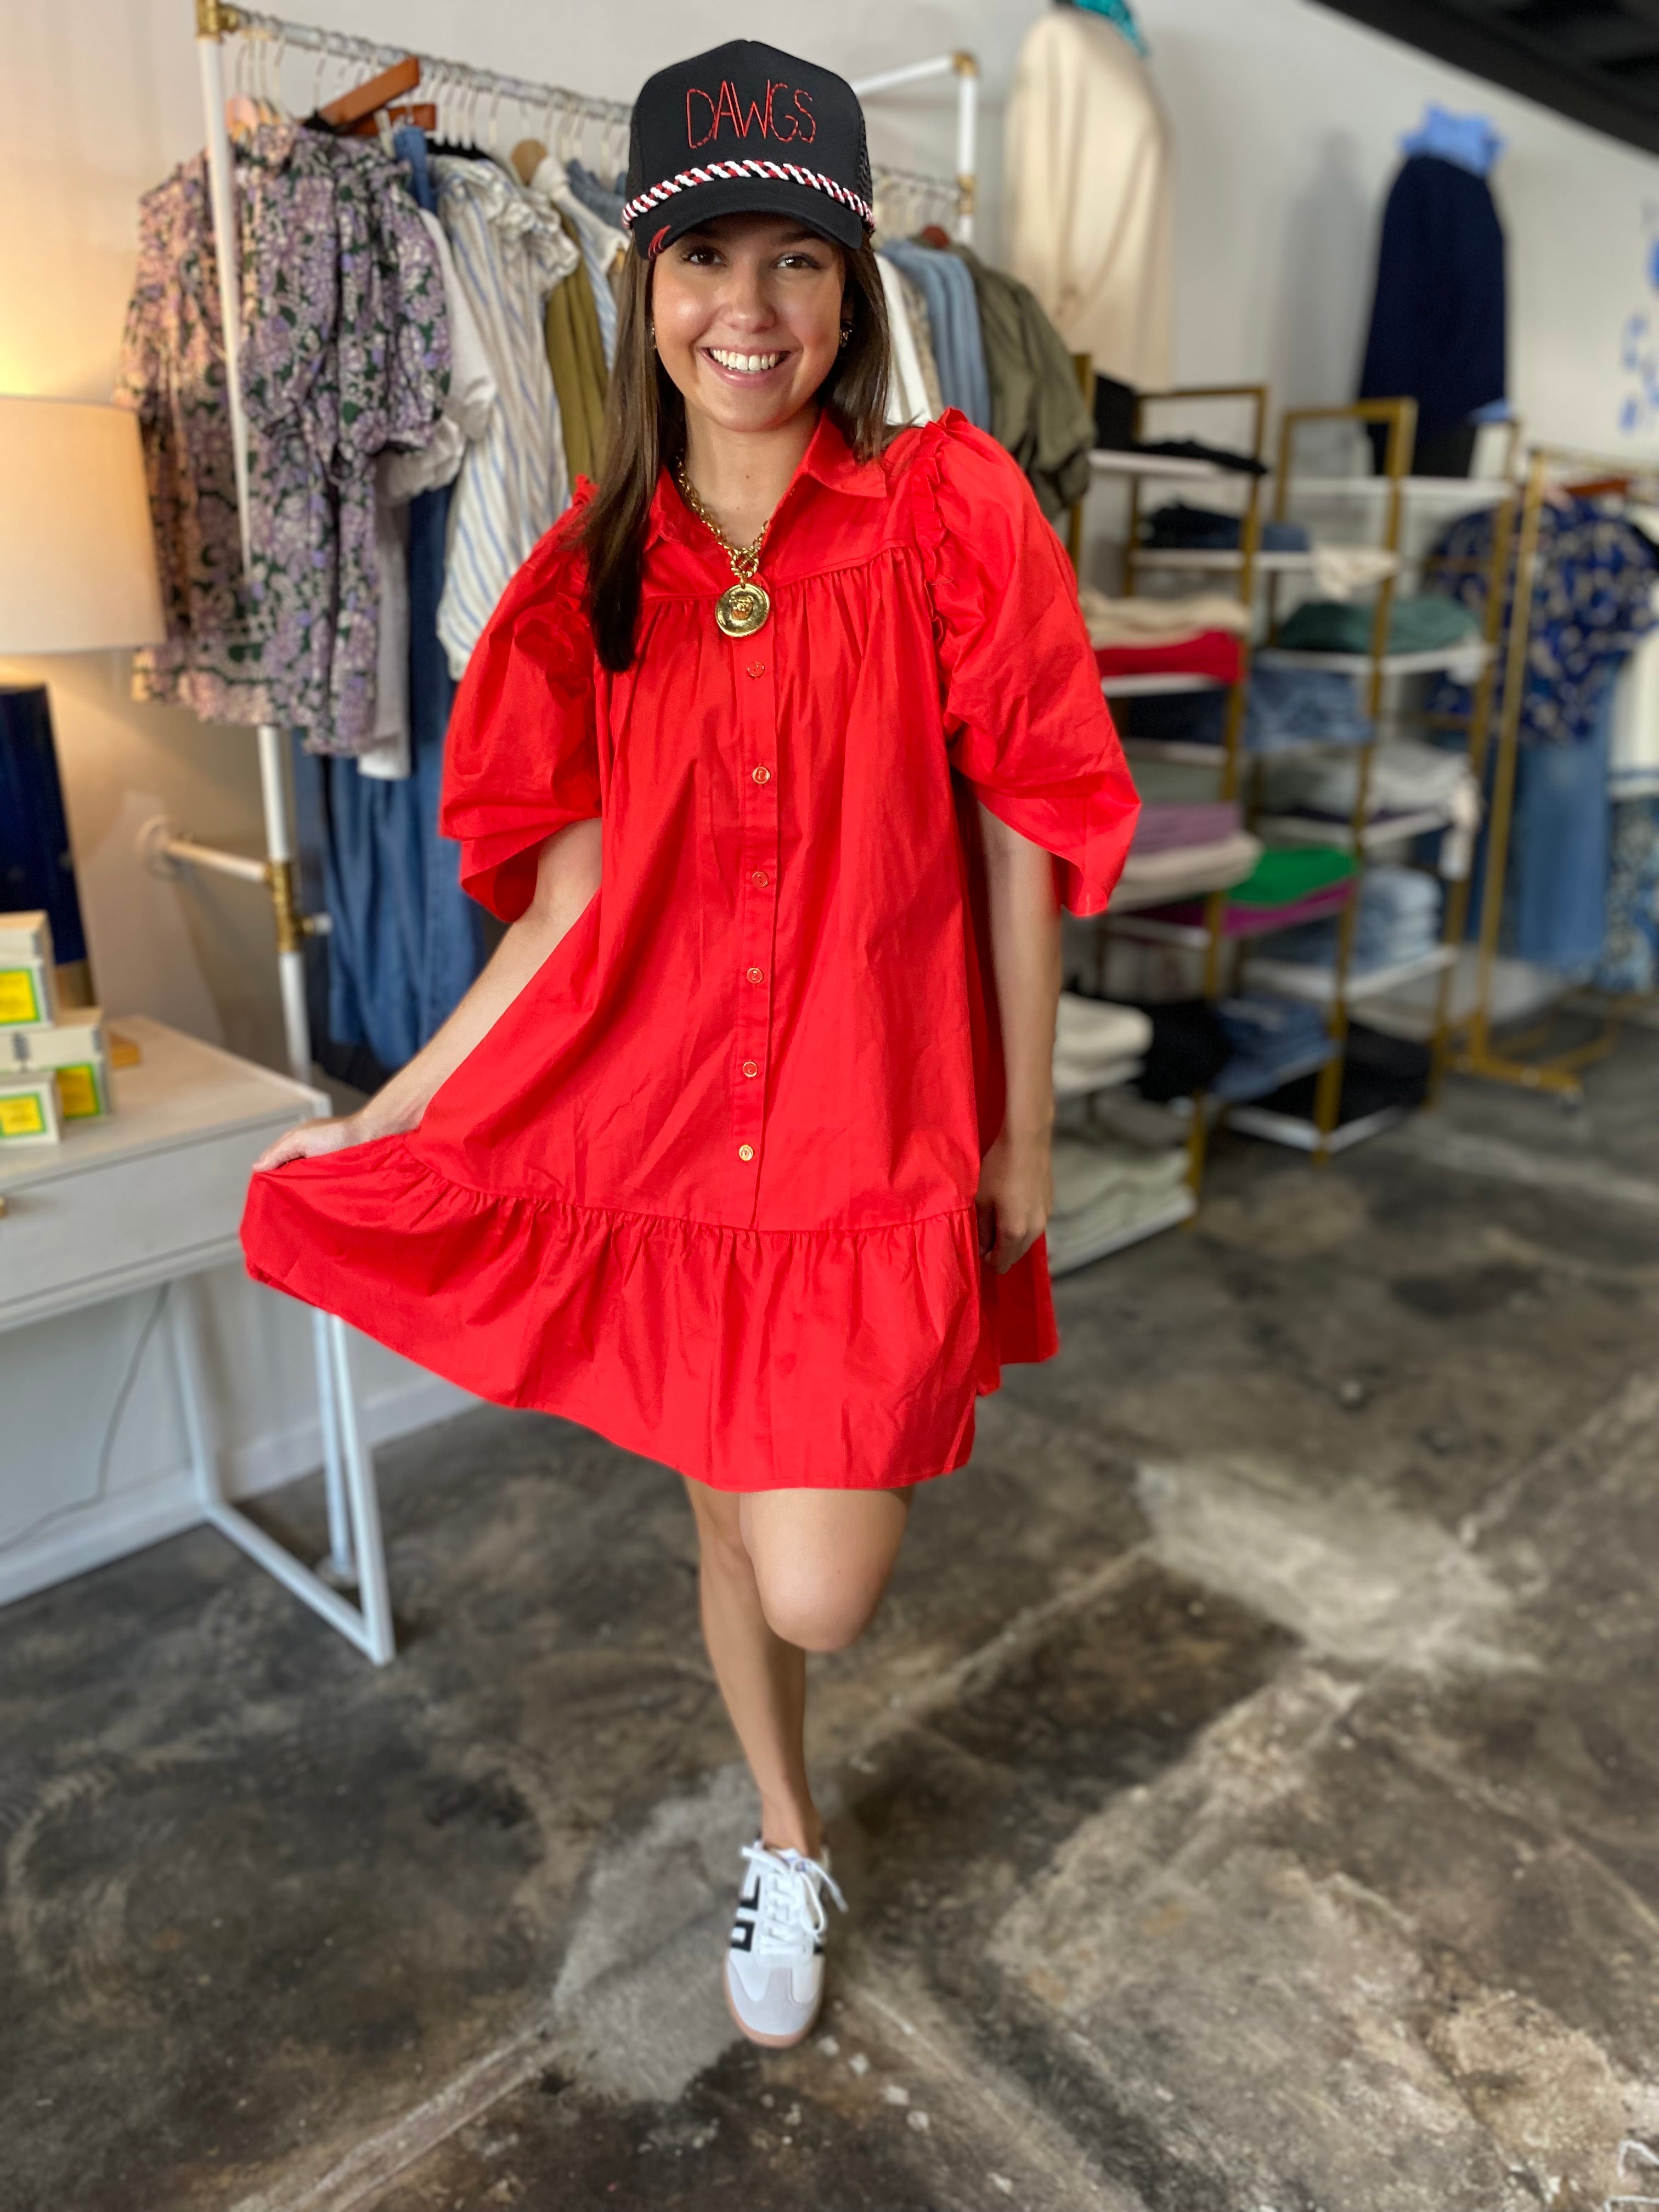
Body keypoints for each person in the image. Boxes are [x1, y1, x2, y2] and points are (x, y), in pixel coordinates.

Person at [242, 40, 1138, 2051]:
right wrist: (380, 1120)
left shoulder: (945, 515)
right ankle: (787, 1823)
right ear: (640, 288)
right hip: (659, 1139)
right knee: (731, 1499)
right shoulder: (585, 584)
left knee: (814, 1570)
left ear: (855, 285)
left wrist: (1027, 1143)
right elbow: (559, 918)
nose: (753, 309)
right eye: (706, 258)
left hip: (872, 1136)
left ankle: (780, 1740)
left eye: (798, 261)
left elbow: (1025, 823)